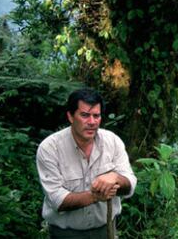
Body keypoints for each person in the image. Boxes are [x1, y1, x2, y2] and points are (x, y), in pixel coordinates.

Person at [36, 88, 137, 238]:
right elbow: (57, 199)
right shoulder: (50, 148)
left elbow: (130, 184)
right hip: (66, 234)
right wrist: (95, 196)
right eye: (85, 115)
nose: (92, 122)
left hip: (106, 230)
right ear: (70, 116)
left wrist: (115, 178)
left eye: (96, 116)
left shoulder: (112, 141)